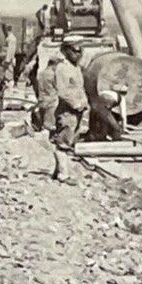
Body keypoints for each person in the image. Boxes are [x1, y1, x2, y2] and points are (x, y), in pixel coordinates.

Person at [50, 38, 87, 182]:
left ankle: (57, 171)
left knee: (68, 141)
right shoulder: (62, 68)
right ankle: (63, 175)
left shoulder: (76, 68)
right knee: (63, 143)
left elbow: (80, 88)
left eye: (80, 51)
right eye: (74, 51)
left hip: (77, 111)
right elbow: (63, 91)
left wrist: (84, 103)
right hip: (68, 111)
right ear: (65, 51)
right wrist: (76, 104)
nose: (78, 54)